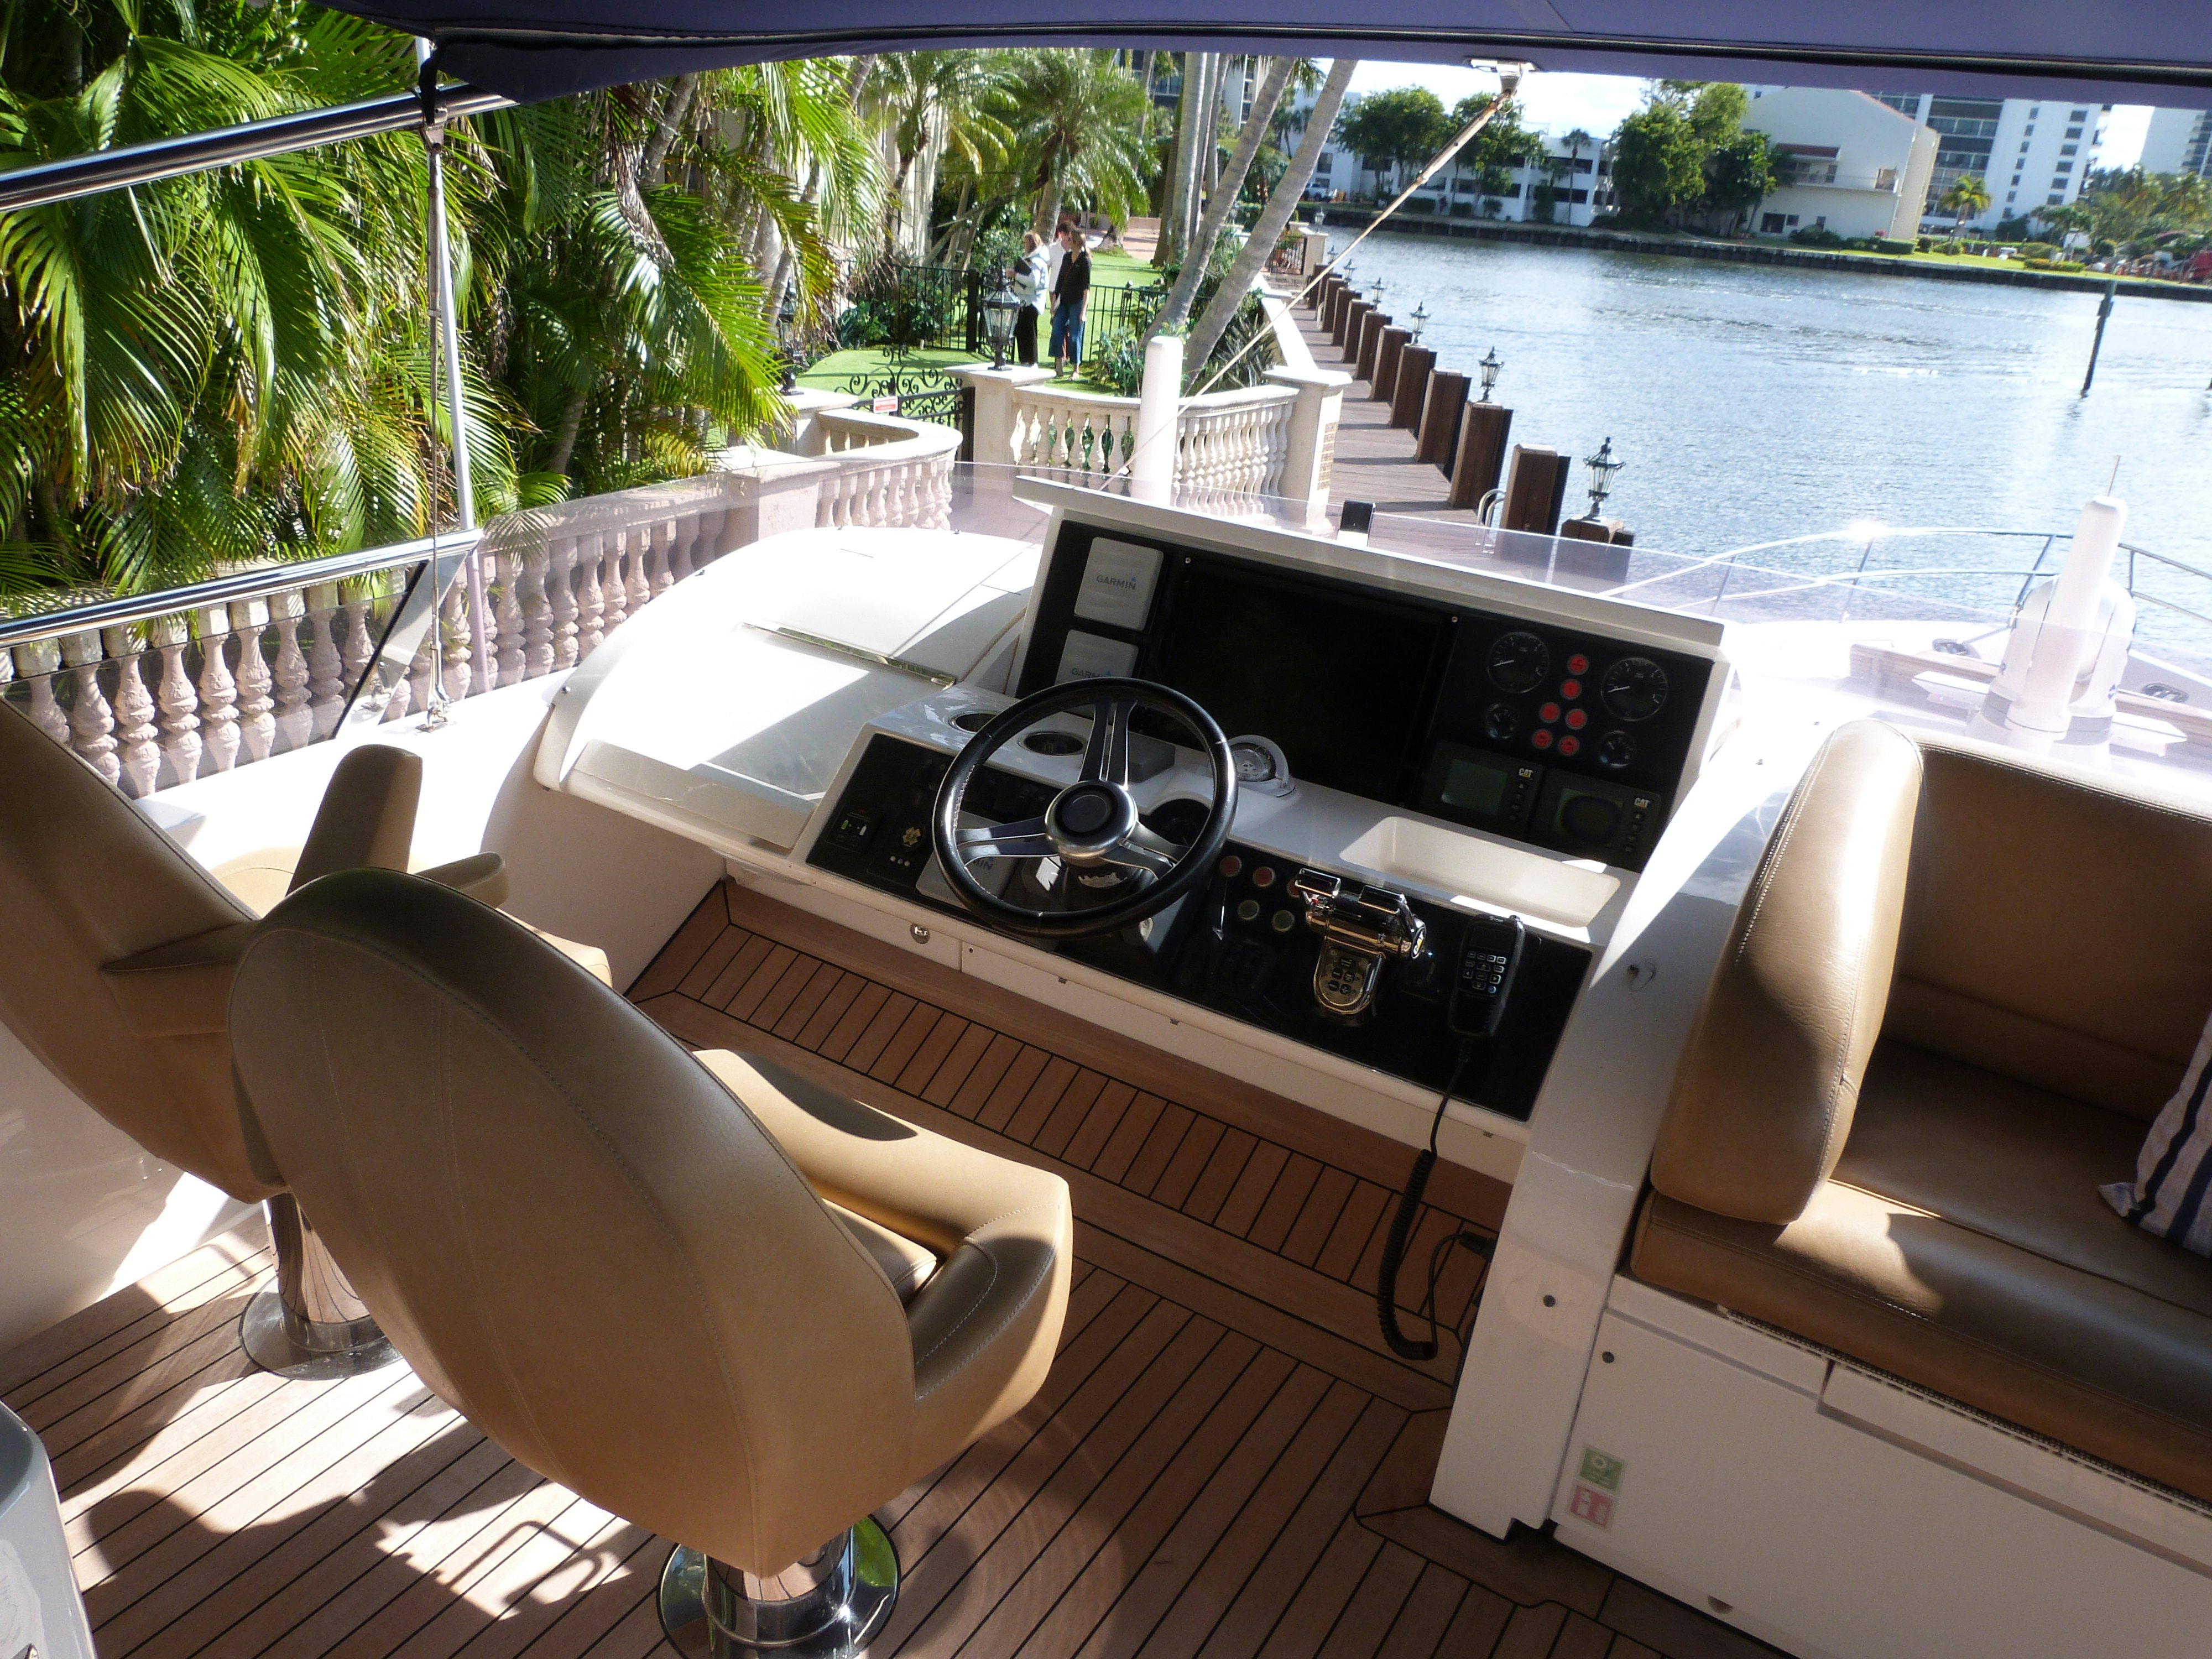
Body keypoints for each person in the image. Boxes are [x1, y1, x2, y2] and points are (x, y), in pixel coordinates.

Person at [1048, 220, 1091, 374]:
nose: (1067, 241)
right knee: (1056, 330)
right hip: (1064, 301)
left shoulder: (1085, 261)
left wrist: (1083, 311)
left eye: (1070, 240)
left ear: (1076, 242)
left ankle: (1076, 370)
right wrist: (1054, 302)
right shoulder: (1067, 258)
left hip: (1077, 302)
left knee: (1075, 336)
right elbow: (1060, 280)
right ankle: (1059, 365)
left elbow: (1087, 288)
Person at [1010, 230, 1048, 367]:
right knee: (1021, 331)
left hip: (1032, 302)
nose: (1024, 245)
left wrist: (1016, 276)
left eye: (1026, 242)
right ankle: (1024, 361)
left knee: (1029, 332)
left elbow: (1033, 282)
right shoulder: (1030, 258)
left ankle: (1032, 362)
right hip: (1025, 301)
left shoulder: (1037, 261)